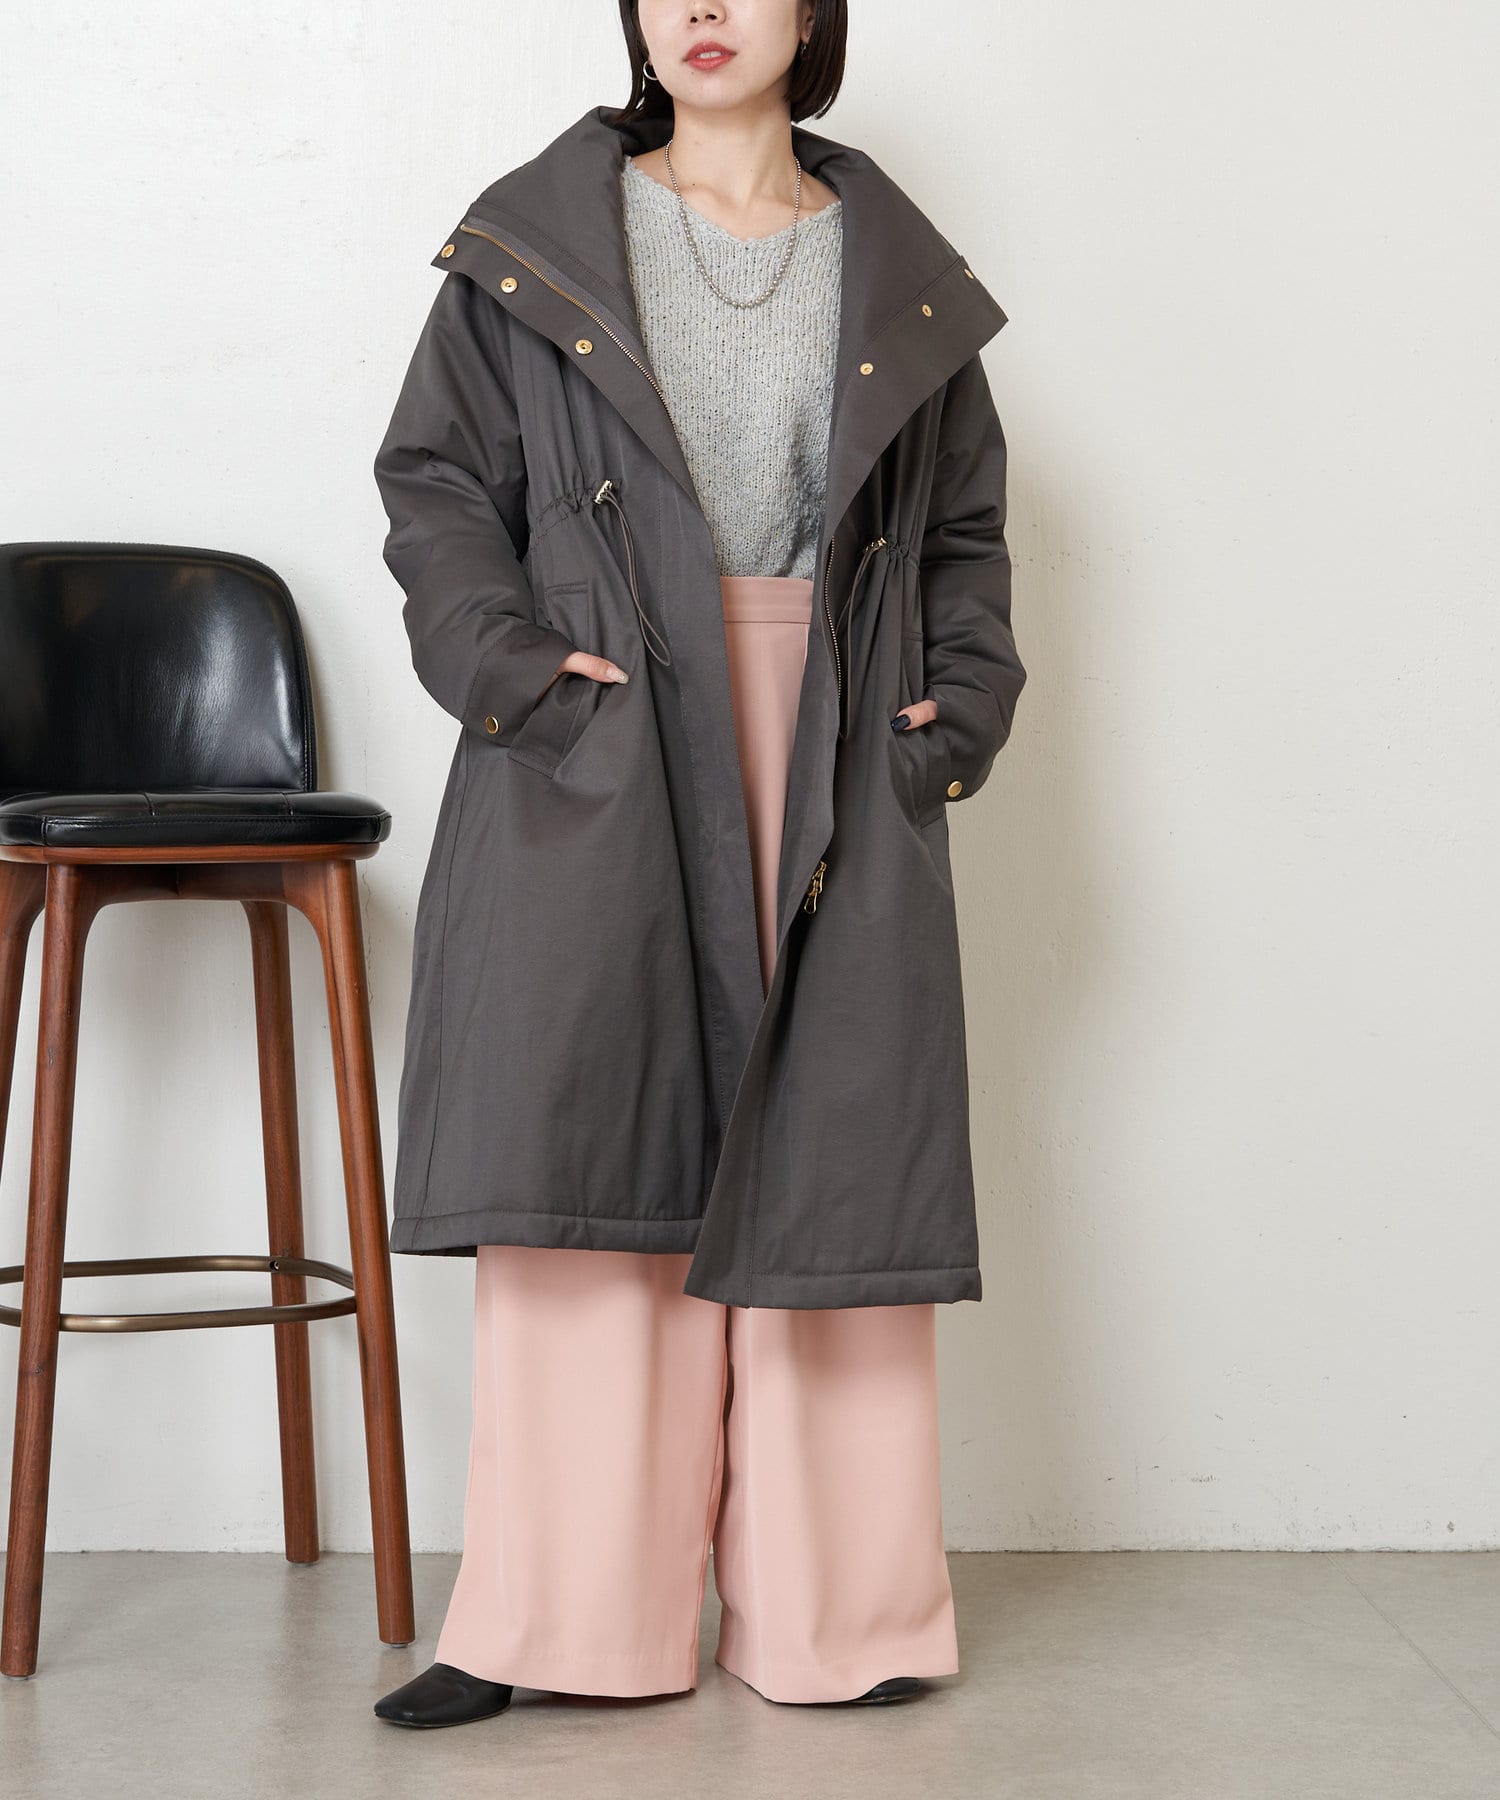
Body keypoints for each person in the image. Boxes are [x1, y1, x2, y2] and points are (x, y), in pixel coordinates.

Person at [370, 0, 1024, 1729]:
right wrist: (517, 669)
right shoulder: (533, 243)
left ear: (814, 13)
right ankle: (556, 1623)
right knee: (593, 1159)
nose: (707, 10)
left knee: (836, 1160)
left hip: (837, 722)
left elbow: (962, 530)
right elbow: (436, 486)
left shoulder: (899, 274)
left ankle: (842, 1616)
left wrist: (957, 708)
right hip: (606, 725)